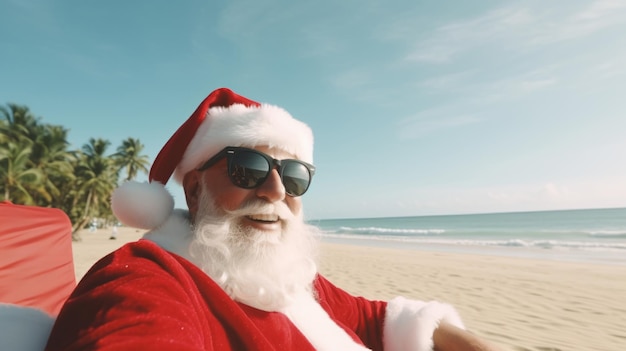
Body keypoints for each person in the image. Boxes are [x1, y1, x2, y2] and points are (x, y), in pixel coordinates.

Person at [45, 88, 500, 351]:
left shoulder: (282, 277)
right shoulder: (144, 279)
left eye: (295, 175)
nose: (276, 191)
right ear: (194, 188)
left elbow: (370, 317)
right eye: (249, 168)